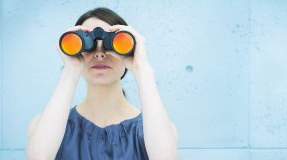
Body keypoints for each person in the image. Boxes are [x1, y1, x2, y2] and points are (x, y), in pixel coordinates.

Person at [25, 7, 179, 160]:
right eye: (89, 44)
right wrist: (71, 68)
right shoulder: (45, 125)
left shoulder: (158, 129)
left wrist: (142, 69)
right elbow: (39, 156)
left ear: (129, 50)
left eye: (109, 44)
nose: (99, 54)